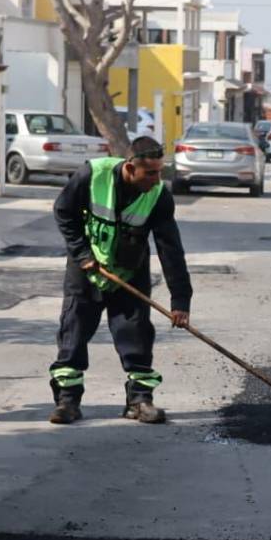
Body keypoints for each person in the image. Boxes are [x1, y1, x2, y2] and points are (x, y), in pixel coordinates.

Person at [49, 136, 192, 425]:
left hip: (129, 272)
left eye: (159, 171)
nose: (156, 179)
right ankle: (68, 401)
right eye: (150, 173)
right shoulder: (93, 175)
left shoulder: (158, 196)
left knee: (136, 333)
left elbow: (170, 248)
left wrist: (181, 300)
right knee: (73, 332)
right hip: (87, 268)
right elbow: (63, 211)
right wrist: (82, 254)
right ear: (130, 168)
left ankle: (139, 401)